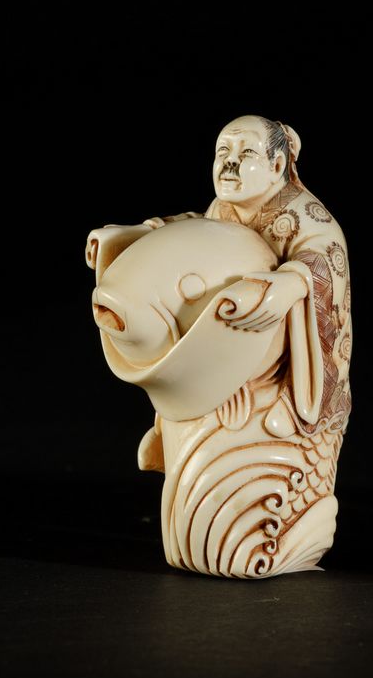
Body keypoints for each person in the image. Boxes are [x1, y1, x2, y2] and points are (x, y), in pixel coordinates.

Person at [85, 114, 352, 463]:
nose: (230, 163)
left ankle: (295, 411)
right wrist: (134, 234)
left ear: (276, 165)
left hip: (276, 352)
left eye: (246, 154)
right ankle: (173, 431)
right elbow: (194, 226)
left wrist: (293, 281)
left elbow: (326, 258)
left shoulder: (307, 216)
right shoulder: (223, 208)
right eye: (223, 152)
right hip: (227, 335)